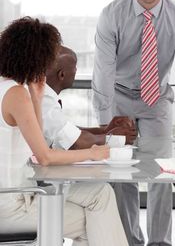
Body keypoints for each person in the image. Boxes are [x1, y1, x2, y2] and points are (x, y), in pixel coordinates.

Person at [92, 0, 175, 245]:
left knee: (160, 173)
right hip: (119, 96)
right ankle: (128, 240)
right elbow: (103, 73)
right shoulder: (112, 14)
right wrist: (106, 124)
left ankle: (160, 243)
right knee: (121, 174)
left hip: (156, 99)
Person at [0, 17, 128, 246]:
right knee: (96, 218)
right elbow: (45, 157)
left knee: (101, 192)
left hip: (21, 193)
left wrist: (37, 98)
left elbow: (34, 146)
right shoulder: (16, 95)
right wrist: (93, 153)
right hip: (12, 206)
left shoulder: (10, 88)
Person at [43, 45, 137, 150]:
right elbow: (75, 142)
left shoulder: (45, 98)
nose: (76, 71)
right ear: (62, 75)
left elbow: (66, 131)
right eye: (74, 67)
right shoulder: (45, 102)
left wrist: (105, 131)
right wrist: (116, 139)